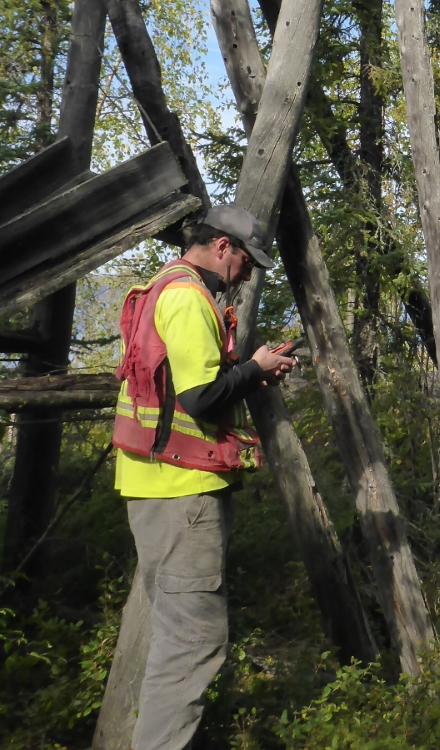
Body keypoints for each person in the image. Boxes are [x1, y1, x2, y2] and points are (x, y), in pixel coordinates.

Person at [112, 205, 296, 750]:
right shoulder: (189, 297)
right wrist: (255, 369)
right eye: (245, 261)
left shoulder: (161, 285)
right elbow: (200, 397)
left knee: (175, 637)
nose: (245, 273)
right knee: (193, 642)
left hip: (155, 486)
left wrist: (247, 376)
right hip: (182, 492)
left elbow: (181, 389)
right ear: (222, 247)